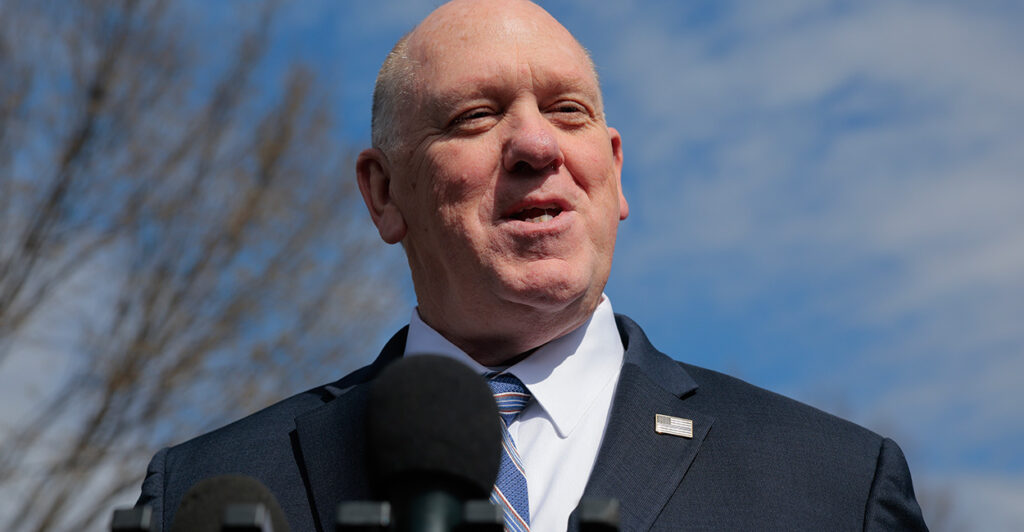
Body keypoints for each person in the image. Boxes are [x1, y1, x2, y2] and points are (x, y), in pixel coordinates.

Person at [137, 1, 928, 530]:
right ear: (383, 193)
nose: (538, 146)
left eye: (568, 111)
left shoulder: (834, 488)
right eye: (476, 116)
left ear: (613, 172)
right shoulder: (212, 490)